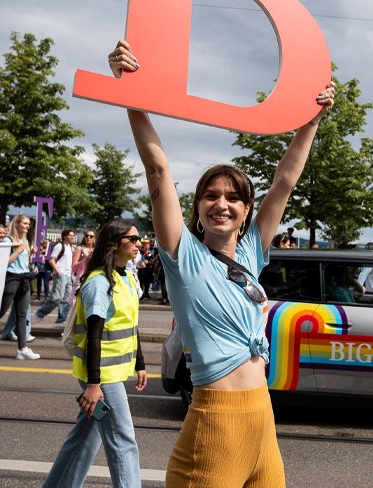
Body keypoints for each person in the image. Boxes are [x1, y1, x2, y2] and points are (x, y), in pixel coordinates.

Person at [112, 39, 333, 488]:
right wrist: (130, 93)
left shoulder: (253, 250)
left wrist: (313, 118)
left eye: (233, 197)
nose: (221, 204)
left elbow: (285, 180)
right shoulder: (182, 253)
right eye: (210, 196)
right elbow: (157, 172)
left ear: (247, 209)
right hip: (216, 422)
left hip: (262, 421)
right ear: (195, 207)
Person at [41, 219, 146, 488]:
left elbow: (130, 324)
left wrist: (140, 363)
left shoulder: (127, 277)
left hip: (108, 375)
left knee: (87, 436)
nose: (138, 243)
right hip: (102, 379)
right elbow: (95, 335)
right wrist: (93, 384)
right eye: (132, 239)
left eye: (139, 238)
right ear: (114, 244)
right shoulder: (100, 282)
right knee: (122, 441)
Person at [0, 214, 40, 360]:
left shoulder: (26, 240)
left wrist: (29, 252)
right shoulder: (8, 240)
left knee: (22, 315)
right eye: (24, 223)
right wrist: (18, 250)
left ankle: (22, 348)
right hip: (11, 279)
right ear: (16, 224)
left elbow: (23, 262)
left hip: (24, 279)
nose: (27, 226)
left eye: (28, 224)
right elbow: (4, 262)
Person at [37, 228, 76, 324]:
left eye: (73, 235)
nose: (72, 237)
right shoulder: (59, 246)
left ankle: (62, 318)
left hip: (68, 275)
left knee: (67, 299)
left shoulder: (70, 247)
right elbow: (51, 260)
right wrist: (58, 271)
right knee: (57, 297)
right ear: (65, 236)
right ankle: (40, 313)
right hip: (61, 274)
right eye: (70, 235)